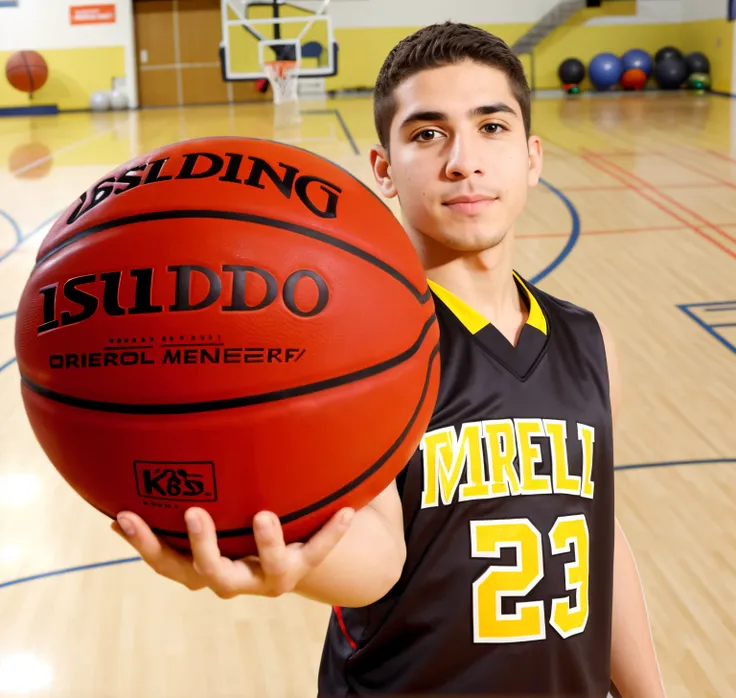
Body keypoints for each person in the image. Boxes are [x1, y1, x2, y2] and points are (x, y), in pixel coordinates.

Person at [112, 22, 666, 698]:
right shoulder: (355, 350)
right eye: (427, 134)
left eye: (492, 128)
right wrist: (280, 559)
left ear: (532, 156)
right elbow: (377, 558)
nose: (464, 159)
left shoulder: (588, 339)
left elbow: (598, 535)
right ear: (384, 168)